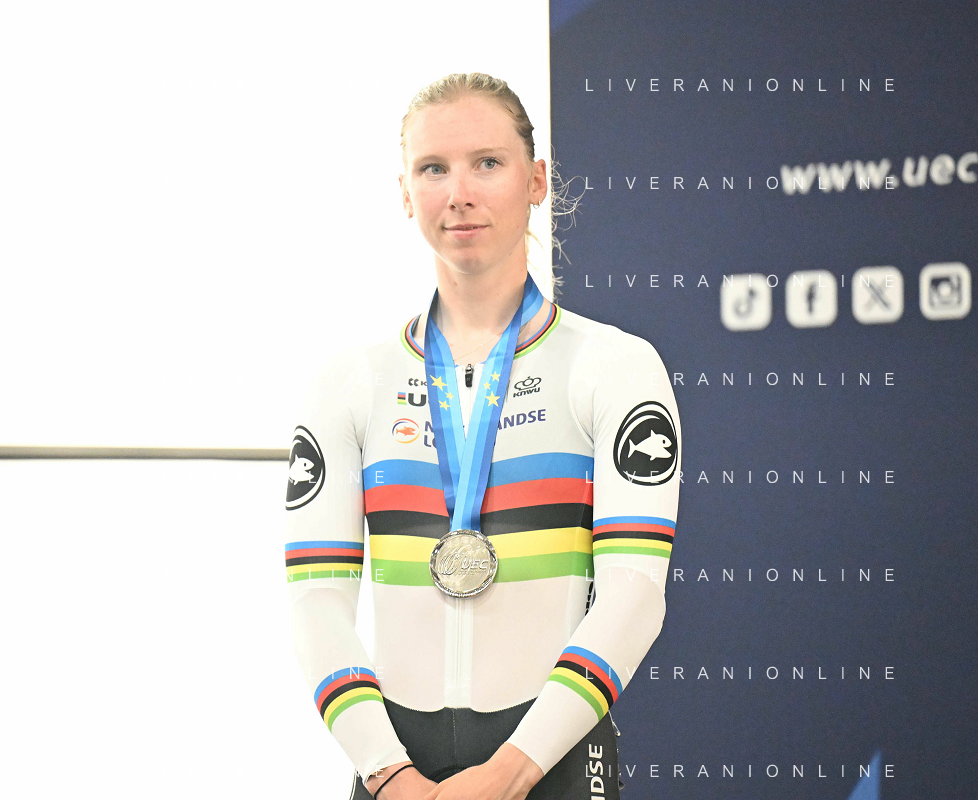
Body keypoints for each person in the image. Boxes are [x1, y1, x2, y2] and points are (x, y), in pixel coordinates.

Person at [284, 72, 681, 800]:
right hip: (393, 768)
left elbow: (634, 594)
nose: (459, 192)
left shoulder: (614, 365)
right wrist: (388, 773)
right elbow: (316, 599)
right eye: (433, 168)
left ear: (536, 181)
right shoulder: (350, 381)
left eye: (487, 163)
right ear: (405, 194)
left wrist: (510, 772)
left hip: (551, 760)